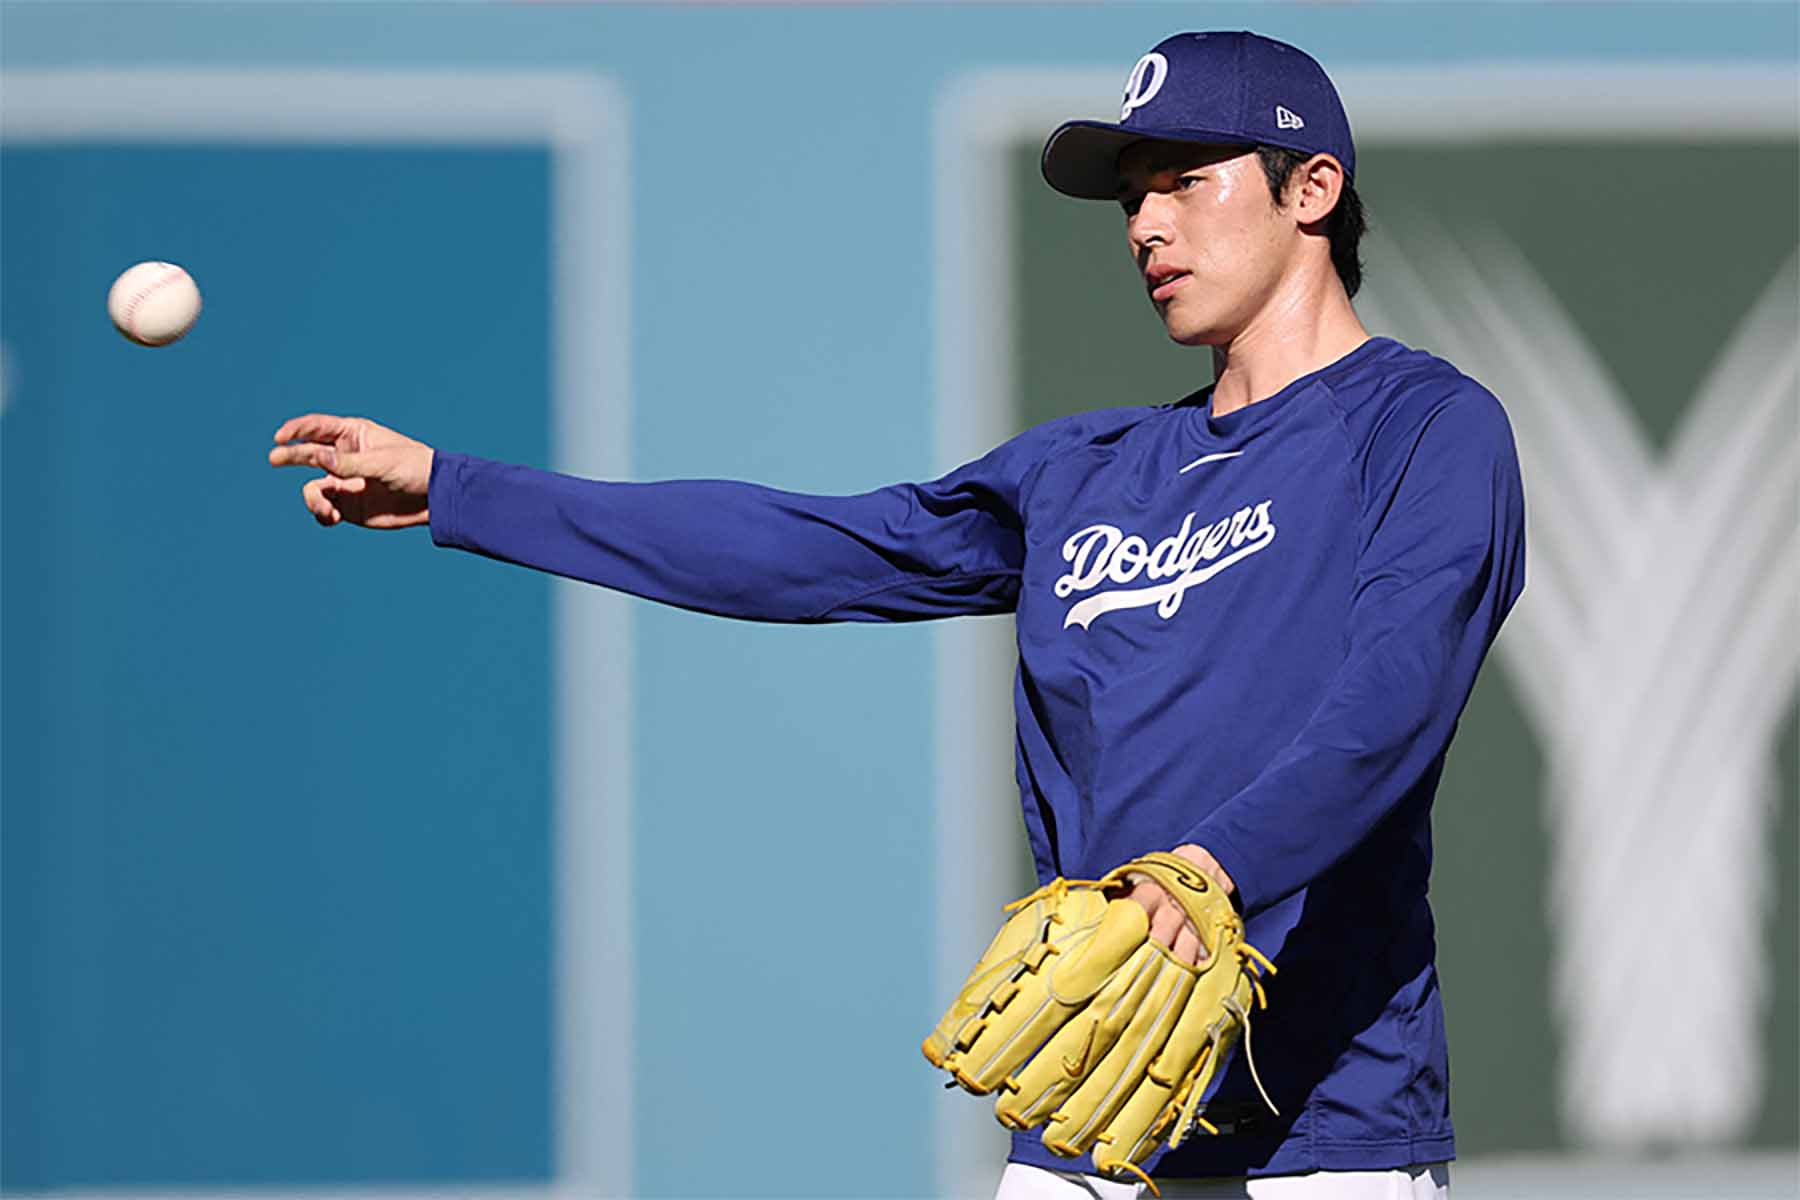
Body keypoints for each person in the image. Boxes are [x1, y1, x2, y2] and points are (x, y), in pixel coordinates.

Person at [269, 30, 1523, 1200]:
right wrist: (461, 488)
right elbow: (807, 551)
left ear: (1310, 191)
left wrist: (1213, 867)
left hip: (1332, 1120)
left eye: (1186, 180)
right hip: (1093, 1108)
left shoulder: (1418, 429)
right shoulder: (1082, 472)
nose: (1144, 223)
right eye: (1130, 194)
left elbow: (1396, 697)